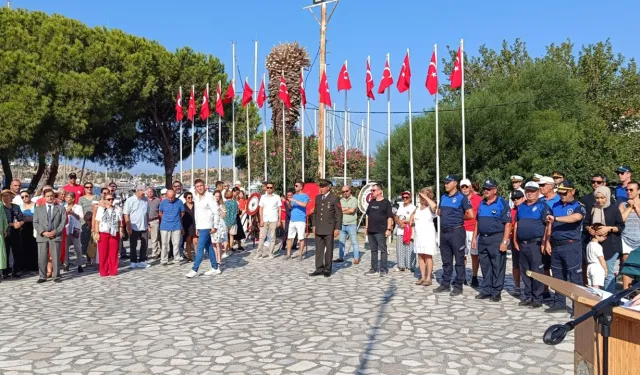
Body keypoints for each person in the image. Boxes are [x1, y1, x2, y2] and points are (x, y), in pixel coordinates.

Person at [544, 181, 587, 313]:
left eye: (565, 192)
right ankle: (559, 302)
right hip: (556, 245)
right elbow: (549, 224)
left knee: (574, 277)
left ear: (572, 191)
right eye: (560, 192)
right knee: (557, 275)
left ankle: (578, 307)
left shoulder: (578, 206)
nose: (562, 195)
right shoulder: (555, 205)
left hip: (571, 245)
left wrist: (556, 219)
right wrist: (547, 241)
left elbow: (576, 218)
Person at [472, 179, 511, 302]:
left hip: (496, 237)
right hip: (483, 238)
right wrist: (474, 238)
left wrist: (504, 241)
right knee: (485, 265)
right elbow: (477, 222)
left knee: (497, 265)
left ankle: (496, 291)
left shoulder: (502, 203)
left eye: (489, 189)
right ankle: (486, 289)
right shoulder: (482, 203)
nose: (486, 191)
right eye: (485, 189)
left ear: (495, 190)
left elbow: (508, 224)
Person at [513, 182, 550, 309]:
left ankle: (537, 298)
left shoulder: (542, 206)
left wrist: (545, 241)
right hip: (522, 244)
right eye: (528, 191)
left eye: (532, 191)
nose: (529, 193)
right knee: (525, 270)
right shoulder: (521, 206)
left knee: (536, 271)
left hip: (536, 243)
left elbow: (548, 225)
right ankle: (528, 295)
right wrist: (515, 240)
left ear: (538, 192)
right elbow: (517, 224)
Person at [436, 175, 474, 296]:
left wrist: (458, 217)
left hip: (456, 232)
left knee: (459, 260)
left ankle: (458, 285)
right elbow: (440, 212)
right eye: (445, 182)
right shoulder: (443, 197)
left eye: (448, 182)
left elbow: (471, 214)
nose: (445, 184)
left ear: (455, 183)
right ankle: (445, 283)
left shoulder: (462, 197)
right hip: (444, 231)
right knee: (446, 260)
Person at [584, 185, 625, 293]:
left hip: (611, 245)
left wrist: (608, 228)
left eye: (602, 198)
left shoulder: (614, 209)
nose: (600, 200)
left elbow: (620, 226)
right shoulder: (593, 208)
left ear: (607, 197)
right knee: (597, 273)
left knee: (607, 273)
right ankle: (598, 297)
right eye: (597, 198)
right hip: (597, 245)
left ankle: (608, 300)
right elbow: (586, 223)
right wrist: (590, 229)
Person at [185, 179, 220, 278]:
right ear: (195, 188)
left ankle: (194, 269)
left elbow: (216, 212)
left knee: (199, 248)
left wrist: (215, 226)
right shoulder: (196, 197)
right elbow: (196, 213)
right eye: (197, 186)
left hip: (207, 226)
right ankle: (215, 267)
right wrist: (197, 227)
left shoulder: (209, 197)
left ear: (204, 186)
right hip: (200, 226)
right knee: (209, 247)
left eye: (201, 185)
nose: (200, 188)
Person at [309, 179, 342, 277]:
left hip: (329, 228)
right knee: (319, 249)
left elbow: (338, 215)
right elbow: (315, 213)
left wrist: (337, 228)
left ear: (328, 187)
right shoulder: (318, 198)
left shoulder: (334, 198)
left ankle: (328, 269)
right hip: (319, 227)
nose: (321, 189)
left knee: (329, 249)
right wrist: (314, 225)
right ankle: (319, 268)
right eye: (320, 187)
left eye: (323, 187)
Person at [34, 189, 66, 283]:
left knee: (55, 256)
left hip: (55, 235)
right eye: (47, 196)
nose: (50, 198)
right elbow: (35, 222)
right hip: (42, 236)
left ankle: (56, 275)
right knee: (42, 256)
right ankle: (42, 276)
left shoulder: (60, 208)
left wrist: (55, 231)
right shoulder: (38, 209)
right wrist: (43, 232)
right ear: (44, 197)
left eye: (51, 196)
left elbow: (63, 222)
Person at [364, 183, 394, 276]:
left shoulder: (386, 203)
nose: (372, 192)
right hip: (371, 230)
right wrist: (366, 227)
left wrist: (388, 229)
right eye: (371, 190)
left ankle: (383, 269)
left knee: (383, 250)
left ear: (380, 191)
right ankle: (373, 268)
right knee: (373, 250)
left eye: (374, 190)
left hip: (381, 230)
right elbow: (368, 215)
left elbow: (389, 217)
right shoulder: (372, 202)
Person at [409, 187, 437, 286]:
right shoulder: (417, 208)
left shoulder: (430, 208)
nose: (422, 198)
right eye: (421, 196)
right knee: (420, 256)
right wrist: (411, 222)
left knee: (428, 256)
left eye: (424, 196)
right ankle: (423, 277)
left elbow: (434, 206)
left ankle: (429, 277)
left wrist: (426, 197)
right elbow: (412, 220)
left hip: (428, 235)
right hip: (419, 235)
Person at [94, 192, 123, 276]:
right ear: (105, 200)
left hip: (114, 233)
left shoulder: (117, 209)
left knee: (113, 253)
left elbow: (120, 222)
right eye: (108, 199)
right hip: (104, 232)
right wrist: (97, 233)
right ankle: (103, 271)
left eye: (112, 199)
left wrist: (121, 231)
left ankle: (113, 270)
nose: (110, 201)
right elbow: (97, 222)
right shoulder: (101, 209)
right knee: (103, 253)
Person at [461, 179, 482, 287]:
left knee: (475, 255)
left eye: (466, 187)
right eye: (462, 187)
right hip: (462, 229)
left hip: (474, 230)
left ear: (470, 187)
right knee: (462, 255)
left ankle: (474, 276)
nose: (464, 189)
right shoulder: (459, 199)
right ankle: (462, 276)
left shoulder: (478, 199)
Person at [123, 185, 150, 269]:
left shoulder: (145, 200)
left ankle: (142, 260)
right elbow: (126, 214)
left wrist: (148, 224)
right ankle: (133, 261)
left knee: (144, 244)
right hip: (134, 226)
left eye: (144, 193)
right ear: (137, 191)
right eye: (142, 193)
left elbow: (147, 213)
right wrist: (128, 226)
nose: (143, 195)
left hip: (144, 225)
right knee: (133, 244)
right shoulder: (130, 200)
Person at [620, 181, 640, 289]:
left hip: (639, 239)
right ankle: (625, 293)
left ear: (638, 191)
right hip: (626, 238)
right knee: (627, 266)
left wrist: (635, 207)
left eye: (631, 189)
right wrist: (629, 207)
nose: (628, 192)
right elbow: (620, 220)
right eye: (626, 189)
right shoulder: (623, 205)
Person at [254, 181, 281, 259]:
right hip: (265, 219)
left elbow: (279, 209)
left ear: (273, 188)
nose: (269, 189)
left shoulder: (277, 197)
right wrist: (261, 220)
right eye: (268, 187)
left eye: (271, 187)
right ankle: (259, 253)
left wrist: (279, 220)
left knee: (272, 237)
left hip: (274, 219)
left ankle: (271, 253)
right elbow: (261, 209)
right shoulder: (263, 197)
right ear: (266, 188)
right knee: (261, 237)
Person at [2, 189, 24, 278]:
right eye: (4, 196)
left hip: (16, 232)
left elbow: (21, 218)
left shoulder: (16, 207)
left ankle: (16, 270)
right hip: (5, 233)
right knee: (5, 252)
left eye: (9, 195)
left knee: (17, 252)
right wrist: (12, 224)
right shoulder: (1, 207)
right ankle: (5, 271)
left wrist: (20, 223)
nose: (7, 198)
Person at [159, 189, 184, 266]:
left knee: (176, 244)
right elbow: (160, 212)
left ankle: (176, 259)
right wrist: (165, 218)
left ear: (175, 196)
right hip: (165, 226)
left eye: (172, 197)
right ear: (166, 195)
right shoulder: (163, 202)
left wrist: (177, 219)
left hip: (176, 225)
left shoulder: (179, 202)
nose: (170, 199)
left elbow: (182, 212)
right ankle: (164, 260)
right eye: (169, 197)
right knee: (164, 244)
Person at [393, 191, 416, 272]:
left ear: (410, 198)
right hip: (400, 230)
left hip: (409, 230)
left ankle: (410, 266)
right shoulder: (401, 206)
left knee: (409, 248)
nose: (405, 199)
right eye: (403, 197)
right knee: (400, 248)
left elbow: (413, 219)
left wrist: (405, 222)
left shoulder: (413, 207)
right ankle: (401, 266)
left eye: (407, 197)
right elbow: (396, 216)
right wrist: (399, 222)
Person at [286, 180, 310, 260]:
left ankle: (300, 255)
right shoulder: (294, 196)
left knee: (301, 238)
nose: (295, 187)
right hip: (292, 220)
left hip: (300, 220)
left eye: (296, 186)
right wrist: (288, 203)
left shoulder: (305, 196)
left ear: (301, 187)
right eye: (295, 185)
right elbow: (290, 207)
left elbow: (304, 205)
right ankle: (288, 254)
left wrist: (295, 200)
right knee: (289, 237)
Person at [337, 185, 360, 264]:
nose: (345, 193)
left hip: (351, 224)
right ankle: (340, 257)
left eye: (346, 191)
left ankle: (356, 258)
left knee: (354, 242)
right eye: (343, 192)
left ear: (350, 191)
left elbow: (352, 211)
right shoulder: (341, 200)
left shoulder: (354, 200)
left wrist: (343, 210)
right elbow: (338, 210)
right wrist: (347, 208)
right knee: (341, 242)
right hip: (342, 224)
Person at [509, 190, 526, 297]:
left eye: (518, 198)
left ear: (523, 198)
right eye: (514, 199)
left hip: (526, 240)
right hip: (514, 239)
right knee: (516, 264)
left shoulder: (527, 208)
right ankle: (517, 286)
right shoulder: (511, 211)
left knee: (528, 265)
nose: (516, 200)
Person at [63, 192, 84, 272]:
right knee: (65, 248)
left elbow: (79, 217)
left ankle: (79, 264)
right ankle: (66, 264)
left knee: (78, 248)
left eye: (68, 197)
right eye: (66, 197)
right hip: (67, 229)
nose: (67, 199)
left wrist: (72, 212)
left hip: (75, 229)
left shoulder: (78, 207)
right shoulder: (63, 207)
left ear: (73, 199)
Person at [19, 191, 38, 272]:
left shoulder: (36, 205)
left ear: (30, 196)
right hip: (24, 228)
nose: (24, 198)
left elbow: (38, 216)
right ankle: (25, 266)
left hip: (34, 227)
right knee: (24, 246)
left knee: (34, 246)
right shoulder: (20, 206)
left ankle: (34, 265)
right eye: (22, 197)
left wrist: (28, 218)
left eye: (26, 196)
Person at [585, 224, 608, 289]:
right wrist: (605, 269)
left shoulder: (589, 244)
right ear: (597, 235)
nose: (606, 238)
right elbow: (601, 259)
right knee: (596, 288)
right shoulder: (598, 246)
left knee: (590, 288)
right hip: (597, 267)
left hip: (589, 267)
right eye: (604, 236)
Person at [212, 190, 228, 265]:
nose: (217, 198)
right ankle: (215, 257)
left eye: (218, 196)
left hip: (220, 225)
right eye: (216, 196)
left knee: (219, 243)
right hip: (212, 224)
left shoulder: (222, 205)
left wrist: (219, 209)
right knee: (214, 243)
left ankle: (219, 259)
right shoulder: (211, 205)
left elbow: (224, 216)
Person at [146, 188, 162, 259]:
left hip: (155, 220)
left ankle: (156, 252)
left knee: (156, 238)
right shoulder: (144, 200)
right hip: (146, 221)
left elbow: (160, 211)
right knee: (149, 238)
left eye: (151, 191)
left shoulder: (157, 200)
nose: (150, 193)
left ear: (153, 192)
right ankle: (151, 253)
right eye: (148, 191)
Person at [181, 192, 196, 262]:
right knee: (188, 242)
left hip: (195, 225)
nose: (190, 199)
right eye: (188, 198)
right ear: (185, 198)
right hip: (187, 226)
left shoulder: (196, 205)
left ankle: (197, 256)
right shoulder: (183, 206)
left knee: (196, 242)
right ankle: (189, 257)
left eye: (191, 197)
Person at [224, 190, 238, 256]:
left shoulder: (224, 203)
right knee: (231, 236)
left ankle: (225, 250)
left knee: (225, 237)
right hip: (233, 221)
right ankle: (230, 248)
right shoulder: (235, 203)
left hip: (225, 221)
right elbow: (237, 212)